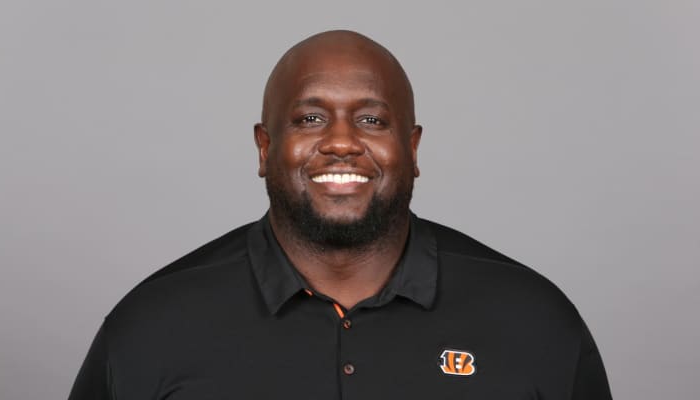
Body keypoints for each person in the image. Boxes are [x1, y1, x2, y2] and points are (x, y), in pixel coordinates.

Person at [69, 30, 612, 399]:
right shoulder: (153, 323)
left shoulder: (533, 319)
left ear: (412, 149)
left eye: (372, 120)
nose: (342, 142)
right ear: (264, 147)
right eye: (310, 118)